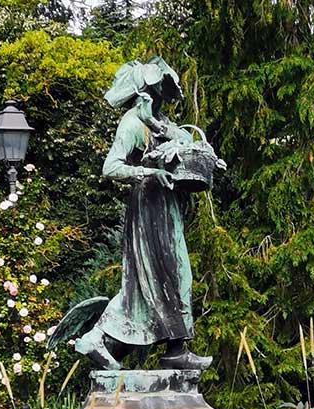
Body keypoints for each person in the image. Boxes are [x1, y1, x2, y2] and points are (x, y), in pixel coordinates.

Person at [60, 57, 213, 371]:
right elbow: (111, 167)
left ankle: (163, 348)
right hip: (147, 208)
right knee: (171, 274)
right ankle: (171, 349)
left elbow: (185, 143)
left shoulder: (159, 122)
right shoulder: (132, 123)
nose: (165, 98)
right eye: (161, 90)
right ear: (148, 90)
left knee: (168, 277)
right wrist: (147, 173)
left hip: (165, 207)